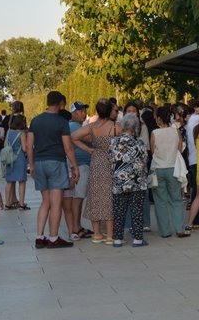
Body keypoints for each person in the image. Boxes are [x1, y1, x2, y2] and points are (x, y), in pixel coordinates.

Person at [27, 91, 80, 249]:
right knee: (56, 203)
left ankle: (39, 236)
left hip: (39, 162)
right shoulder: (61, 122)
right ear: (60, 103)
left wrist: (31, 165)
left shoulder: (35, 120)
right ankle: (53, 237)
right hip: (56, 162)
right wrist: (75, 166)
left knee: (45, 202)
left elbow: (29, 146)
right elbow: (68, 147)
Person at [71, 99, 118, 243]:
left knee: (95, 196)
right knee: (109, 196)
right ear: (109, 111)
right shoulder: (115, 127)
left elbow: (74, 137)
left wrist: (88, 149)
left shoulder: (91, 127)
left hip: (96, 161)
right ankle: (110, 235)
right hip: (110, 162)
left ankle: (97, 234)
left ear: (97, 111)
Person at [110, 113, 150, 247]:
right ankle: (138, 239)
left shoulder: (114, 141)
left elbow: (110, 158)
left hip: (119, 181)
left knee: (118, 211)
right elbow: (145, 160)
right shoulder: (139, 142)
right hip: (136, 181)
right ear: (136, 127)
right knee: (137, 210)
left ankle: (117, 239)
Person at [151, 105, 188, 238]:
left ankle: (165, 231)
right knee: (176, 199)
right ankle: (179, 229)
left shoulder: (154, 133)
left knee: (160, 201)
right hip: (173, 168)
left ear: (159, 119)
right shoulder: (176, 132)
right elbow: (180, 149)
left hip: (158, 169)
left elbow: (153, 151)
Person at [64, 102, 91, 240]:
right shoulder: (74, 126)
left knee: (79, 197)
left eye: (85, 111)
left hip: (81, 165)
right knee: (78, 198)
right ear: (73, 113)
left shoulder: (77, 126)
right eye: (80, 111)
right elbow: (90, 138)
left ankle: (77, 226)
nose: (84, 113)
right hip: (80, 165)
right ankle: (76, 227)